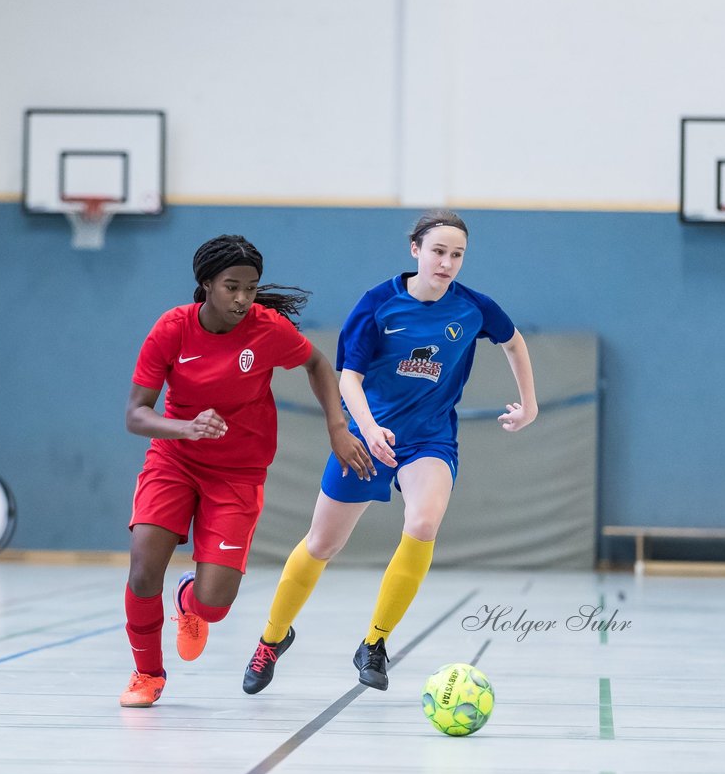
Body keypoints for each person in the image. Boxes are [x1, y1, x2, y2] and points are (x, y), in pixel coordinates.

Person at [241, 210, 538, 694]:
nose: (446, 263)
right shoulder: (378, 304)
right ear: (415, 250)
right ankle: (272, 639)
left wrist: (529, 403)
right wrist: (368, 428)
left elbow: (513, 342)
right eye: (438, 251)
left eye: (457, 255)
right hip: (367, 436)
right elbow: (349, 379)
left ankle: (374, 643)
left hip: (430, 439)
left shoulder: (473, 308)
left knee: (423, 522)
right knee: (322, 544)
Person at [119, 235, 373, 707]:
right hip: (174, 459)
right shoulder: (171, 330)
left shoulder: (267, 329)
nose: (242, 299)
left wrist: (338, 427)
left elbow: (317, 363)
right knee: (141, 572)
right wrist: (184, 427)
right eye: (231, 286)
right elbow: (136, 414)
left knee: (214, 607)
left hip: (237, 473)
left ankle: (190, 600)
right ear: (206, 285)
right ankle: (147, 675)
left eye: (251, 288)